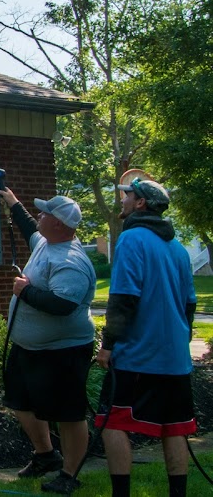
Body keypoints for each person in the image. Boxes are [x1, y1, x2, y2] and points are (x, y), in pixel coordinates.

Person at [95, 177, 197, 497]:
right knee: (174, 427)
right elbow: (189, 305)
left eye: (127, 196)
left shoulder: (131, 239)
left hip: (138, 356)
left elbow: (124, 298)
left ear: (140, 204)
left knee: (112, 422)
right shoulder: (178, 249)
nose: (123, 200)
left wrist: (108, 345)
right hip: (176, 358)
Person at [0, 189, 97, 495]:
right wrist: (12, 201)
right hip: (29, 348)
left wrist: (24, 292)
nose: (39, 216)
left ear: (59, 224)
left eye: (45, 213)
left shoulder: (70, 260)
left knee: (68, 414)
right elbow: (29, 226)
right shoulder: (45, 242)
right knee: (20, 402)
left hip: (63, 352)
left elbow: (62, 305)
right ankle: (45, 456)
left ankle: (70, 474)